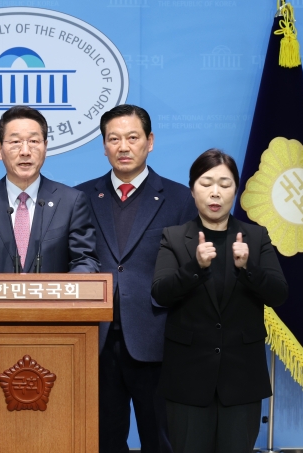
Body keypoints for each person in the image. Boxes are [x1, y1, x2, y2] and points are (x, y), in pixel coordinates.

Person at [75, 104, 196, 453]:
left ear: (150, 141)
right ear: (104, 146)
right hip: (97, 341)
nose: (123, 147)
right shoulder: (79, 197)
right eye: (114, 139)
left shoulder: (179, 198)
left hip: (157, 339)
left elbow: (190, 272)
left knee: (162, 440)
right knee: (102, 440)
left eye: (132, 137)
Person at [151, 149, 288, 453]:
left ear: (235, 190)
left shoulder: (256, 237)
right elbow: (161, 293)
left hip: (241, 379)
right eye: (206, 183)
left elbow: (279, 294)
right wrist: (195, 267)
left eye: (225, 184)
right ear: (192, 190)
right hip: (188, 379)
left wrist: (248, 269)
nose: (215, 193)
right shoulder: (174, 237)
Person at [0, 105, 99, 274]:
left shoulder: (70, 202)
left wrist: (57, 288)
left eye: (33, 141)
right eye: (15, 142)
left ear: (45, 147)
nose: (25, 151)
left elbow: (86, 261)